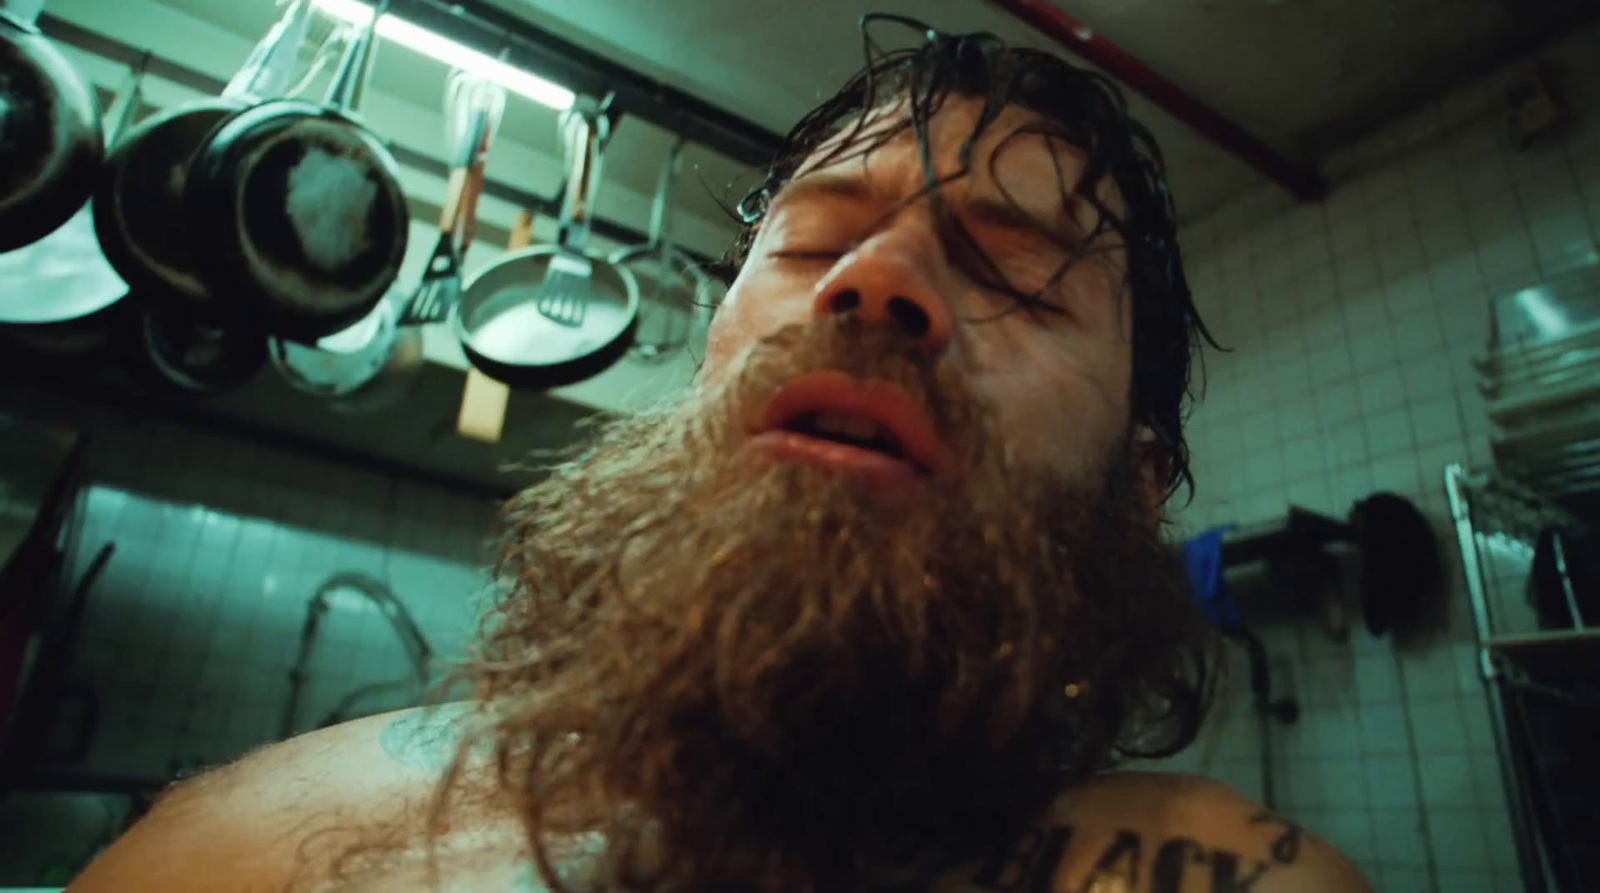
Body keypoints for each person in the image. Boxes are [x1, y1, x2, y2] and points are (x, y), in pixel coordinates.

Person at [66, 16, 1372, 893]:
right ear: (706, 374)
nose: (873, 283)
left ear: (1140, 491)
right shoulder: (234, 856)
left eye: (1009, 273)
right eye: (812, 245)